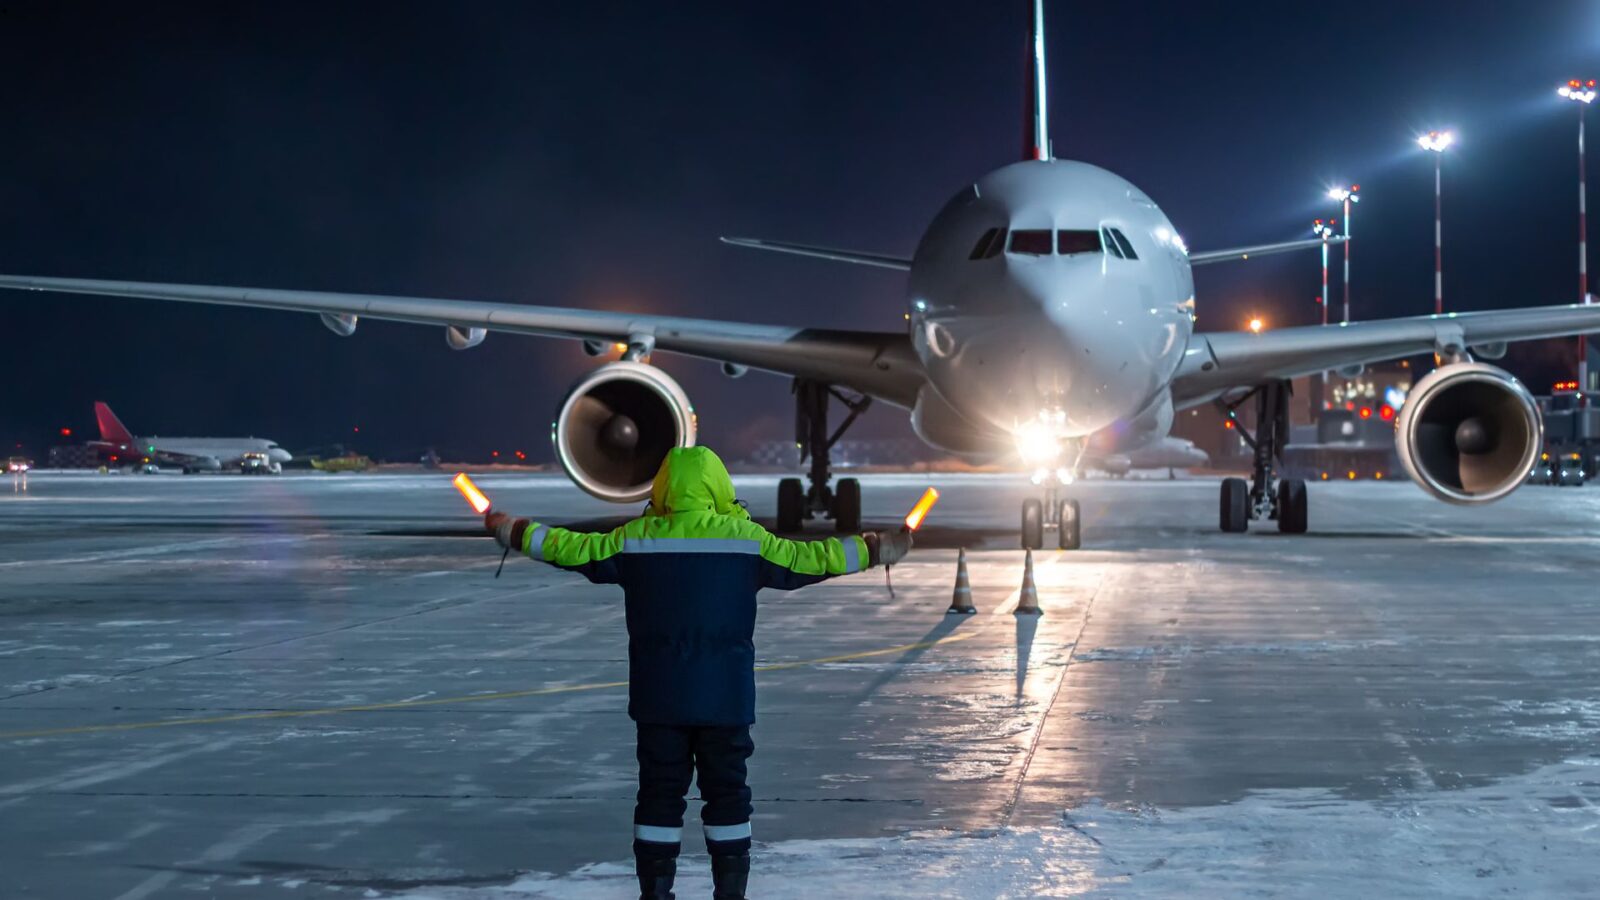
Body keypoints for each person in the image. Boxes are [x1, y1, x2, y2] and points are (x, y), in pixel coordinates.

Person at [486, 446, 912, 900]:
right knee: (727, 795)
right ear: (719, 487)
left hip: (659, 701)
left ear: (664, 488)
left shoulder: (635, 539)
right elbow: (815, 558)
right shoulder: (747, 541)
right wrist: (874, 548)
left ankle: (655, 891)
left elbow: (565, 547)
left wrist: (512, 530)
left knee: (659, 796)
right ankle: (729, 893)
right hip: (726, 700)